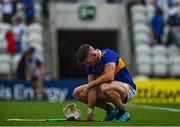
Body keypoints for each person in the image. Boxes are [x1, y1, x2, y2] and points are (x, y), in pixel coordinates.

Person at [73, 44, 136, 122]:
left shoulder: (108, 55)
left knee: (104, 87)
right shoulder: (89, 65)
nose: (88, 65)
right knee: (77, 93)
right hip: (108, 89)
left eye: (89, 62)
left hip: (128, 89)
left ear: (94, 54)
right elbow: (92, 89)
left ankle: (123, 112)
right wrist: (90, 113)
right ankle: (111, 110)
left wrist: (90, 85)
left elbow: (109, 77)